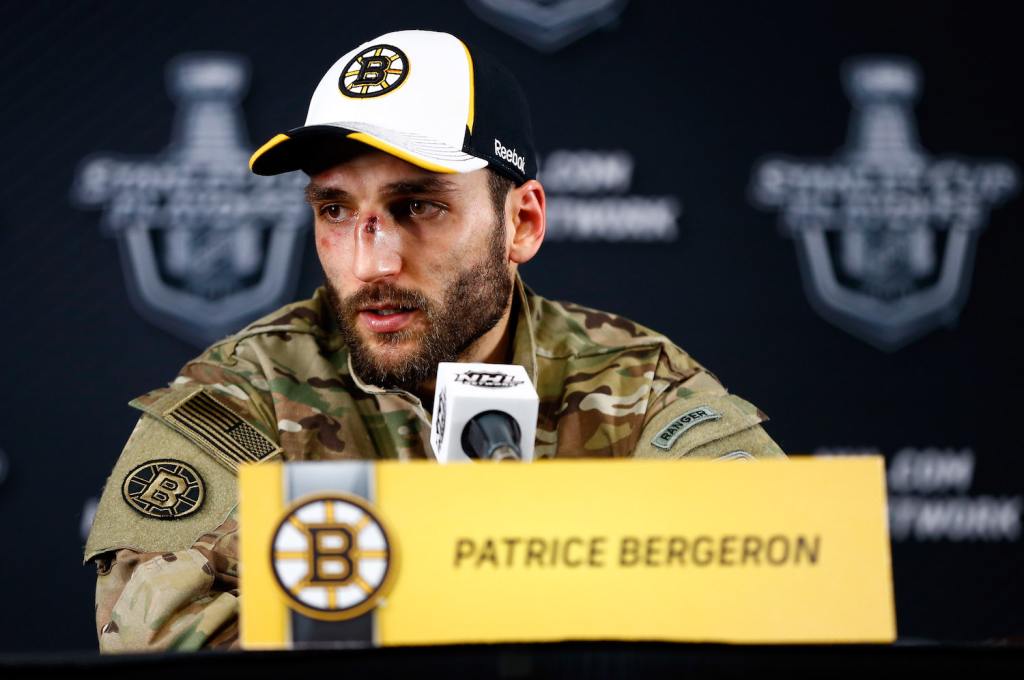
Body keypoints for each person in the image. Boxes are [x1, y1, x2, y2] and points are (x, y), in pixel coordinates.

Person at [84, 29, 786, 652]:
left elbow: (782, 581)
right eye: (336, 210)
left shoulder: (642, 384)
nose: (371, 263)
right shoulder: (244, 392)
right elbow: (155, 634)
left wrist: (360, 601)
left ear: (523, 223)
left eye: (418, 206)